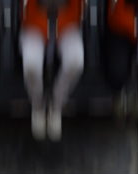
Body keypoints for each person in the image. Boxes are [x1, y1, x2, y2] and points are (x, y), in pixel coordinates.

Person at [20, 0, 82, 139]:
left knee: (75, 60)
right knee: (31, 64)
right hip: (34, 24)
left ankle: (56, 103)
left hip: (67, 24)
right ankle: (38, 104)